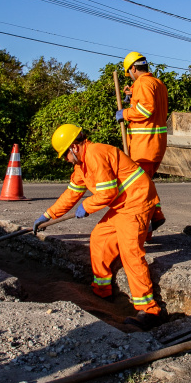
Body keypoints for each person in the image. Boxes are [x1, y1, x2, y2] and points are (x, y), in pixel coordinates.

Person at [33, 124, 163, 330]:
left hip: (136, 201)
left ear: (74, 147)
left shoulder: (95, 154)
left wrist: (87, 206)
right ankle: (102, 291)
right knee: (99, 238)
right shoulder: (81, 166)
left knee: (131, 254)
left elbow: (107, 193)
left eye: (65, 154)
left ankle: (149, 310)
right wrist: (48, 215)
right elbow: (71, 194)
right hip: (123, 205)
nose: (65, 159)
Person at [117, 52, 168, 234]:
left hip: (144, 146)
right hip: (156, 144)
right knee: (145, 184)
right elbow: (151, 107)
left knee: (139, 188)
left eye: (129, 72)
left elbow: (145, 111)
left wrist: (124, 114)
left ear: (132, 68)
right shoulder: (157, 84)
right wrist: (132, 97)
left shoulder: (142, 83)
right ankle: (152, 222)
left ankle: (153, 219)